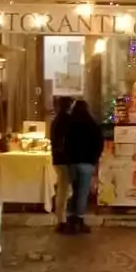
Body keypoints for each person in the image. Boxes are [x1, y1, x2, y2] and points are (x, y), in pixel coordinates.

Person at [62, 100, 105, 234]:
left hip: (73, 164)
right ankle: (79, 220)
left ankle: (70, 221)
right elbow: (99, 142)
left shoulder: (70, 124)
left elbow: (66, 144)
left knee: (72, 192)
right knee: (82, 193)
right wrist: (94, 158)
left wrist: (68, 159)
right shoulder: (91, 124)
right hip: (87, 163)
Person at [50, 96, 74, 232]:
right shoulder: (67, 120)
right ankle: (62, 220)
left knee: (64, 189)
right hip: (65, 159)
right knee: (64, 190)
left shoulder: (57, 120)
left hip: (59, 159)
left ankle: (62, 217)